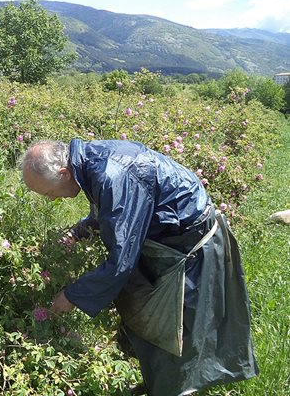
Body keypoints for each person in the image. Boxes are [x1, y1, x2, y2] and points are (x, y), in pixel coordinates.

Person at [20, 139, 258, 396]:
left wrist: (71, 296)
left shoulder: (112, 173)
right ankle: (154, 383)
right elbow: (111, 211)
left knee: (175, 330)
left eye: (47, 192)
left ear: (63, 173)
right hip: (165, 240)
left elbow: (121, 260)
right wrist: (78, 232)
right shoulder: (89, 163)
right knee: (147, 316)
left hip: (188, 247)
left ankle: (176, 389)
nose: (51, 198)